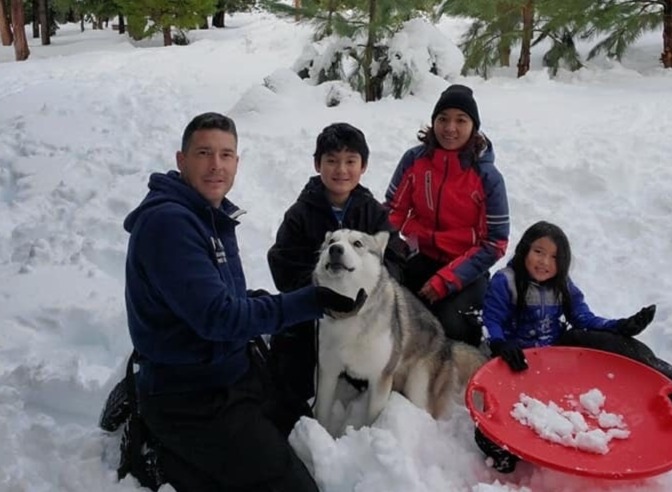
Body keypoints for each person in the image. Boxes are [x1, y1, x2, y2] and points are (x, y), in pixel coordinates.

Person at [117, 112, 364, 491]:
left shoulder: (208, 213)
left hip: (231, 370)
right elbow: (218, 317)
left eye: (226, 155)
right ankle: (161, 455)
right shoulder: (169, 225)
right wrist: (310, 300)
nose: (216, 165)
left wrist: (266, 302)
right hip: (190, 395)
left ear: (236, 162)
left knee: (297, 422)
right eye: (204, 153)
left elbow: (220, 299)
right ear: (182, 160)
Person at [475, 220, 672, 473]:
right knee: (501, 411)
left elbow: (584, 319)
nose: (544, 262)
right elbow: (491, 319)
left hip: (556, 353)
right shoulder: (506, 281)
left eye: (554, 257)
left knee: (621, 346)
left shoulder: (562, 285)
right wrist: (501, 343)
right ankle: (499, 446)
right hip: (518, 358)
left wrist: (620, 327)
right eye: (538, 252)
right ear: (525, 250)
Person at [267, 122, 404, 403]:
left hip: (365, 314)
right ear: (317, 164)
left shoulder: (372, 212)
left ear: (363, 166)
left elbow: (395, 257)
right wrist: (318, 293)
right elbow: (284, 264)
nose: (341, 170)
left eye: (350, 161)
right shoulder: (300, 214)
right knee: (292, 369)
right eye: (332, 161)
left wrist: (369, 292)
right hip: (313, 313)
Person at [385, 84, 510, 346]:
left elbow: (495, 243)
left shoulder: (487, 177)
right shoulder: (414, 160)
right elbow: (393, 210)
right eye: (443, 119)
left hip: (466, 268)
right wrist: (387, 245)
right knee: (387, 301)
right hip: (420, 256)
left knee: (450, 324)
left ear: (473, 127)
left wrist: (446, 280)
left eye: (461, 120)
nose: (450, 128)